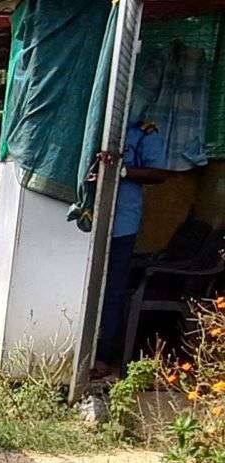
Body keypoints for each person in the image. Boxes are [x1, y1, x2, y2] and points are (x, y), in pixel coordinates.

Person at [93, 120, 167, 379]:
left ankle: (102, 357)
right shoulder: (92, 118)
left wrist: (121, 170)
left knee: (113, 289)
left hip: (122, 224)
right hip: (87, 221)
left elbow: (159, 173)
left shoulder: (144, 130)